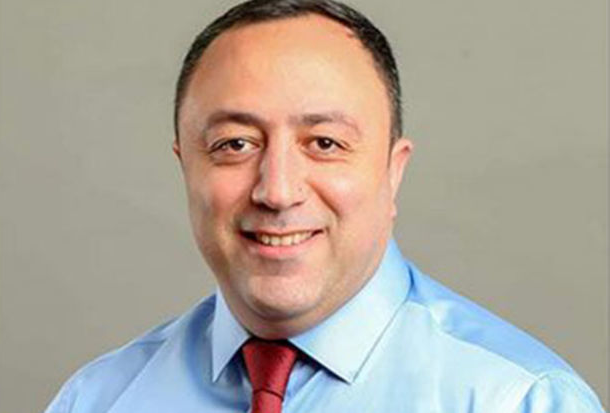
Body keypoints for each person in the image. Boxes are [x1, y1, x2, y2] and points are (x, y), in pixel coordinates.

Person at [43, 1, 605, 412]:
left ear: (393, 171)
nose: (277, 191)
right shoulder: (97, 400)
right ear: (186, 165)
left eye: (325, 143)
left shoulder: (519, 400)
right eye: (235, 144)